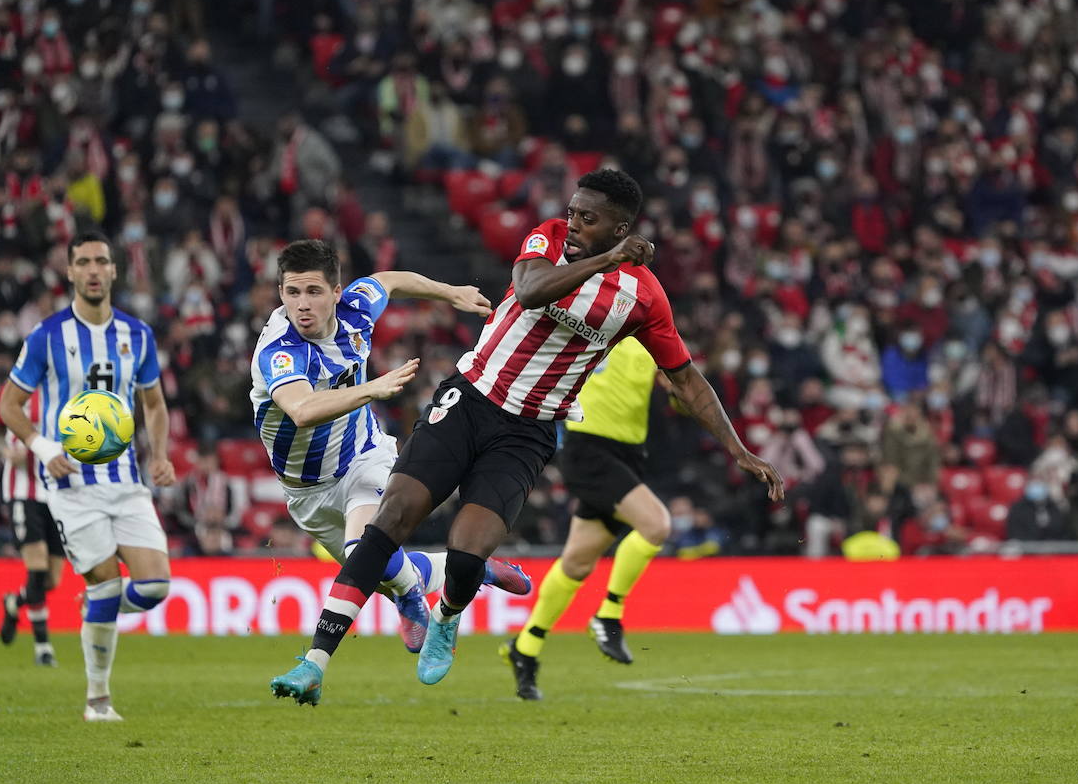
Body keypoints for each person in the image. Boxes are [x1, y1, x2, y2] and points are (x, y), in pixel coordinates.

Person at [270, 168, 784, 705]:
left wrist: (739, 449)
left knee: (467, 556)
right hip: (469, 398)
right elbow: (529, 290)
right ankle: (315, 662)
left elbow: (686, 378)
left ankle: (447, 616)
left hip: (528, 432)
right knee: (391, 519)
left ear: (620, 226)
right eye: (573, 211)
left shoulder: (644, 299)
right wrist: (605, 258)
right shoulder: (550, 239)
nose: (574, 222)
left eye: (589, 218)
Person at [250, 240, 530, 654]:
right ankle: (474, 571)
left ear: (337, 292)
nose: (302, 304)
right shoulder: (281, 352)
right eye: (292, 293)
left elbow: (390, 280)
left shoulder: (356, 309)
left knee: (363, 550)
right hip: (305, 491)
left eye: (313, 292)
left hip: (364, 457)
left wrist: (451, 292)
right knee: (376, 572)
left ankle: (413, 596)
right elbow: (303, 409)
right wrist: (372, 388)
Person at [0, 231, 178, 722]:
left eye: (102, 260)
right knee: (103, 584)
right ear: (71, 272)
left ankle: (94, 607)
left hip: (126, 480)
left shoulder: (137, 334)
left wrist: (158, 454)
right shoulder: (47, 336)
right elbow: (7, 405)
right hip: (72, 485)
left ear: (114, 271)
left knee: (156, 586)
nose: (94, 269)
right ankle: (98, 700)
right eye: (84, 262)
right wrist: (41, 446)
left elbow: (155, 403)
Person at [501, 336, 671, 700]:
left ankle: (525, 646)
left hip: (629, 455)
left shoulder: (651, 344)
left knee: (577, 563)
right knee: (656, 525)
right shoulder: (590, 330)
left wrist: (679, 395)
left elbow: (677, 391)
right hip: (587, 448)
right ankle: (609, 614)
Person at [0, 382, 65, 666]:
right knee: (36, 568)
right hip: (22, 491)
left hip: (58, 491)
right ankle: (43, 647)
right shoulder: (13, 388)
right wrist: (6, 452)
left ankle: (14, 602)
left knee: (51, 580)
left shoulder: (68, 387)